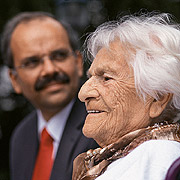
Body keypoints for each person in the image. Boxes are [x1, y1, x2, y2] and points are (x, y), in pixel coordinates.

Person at [72, 12, 180, 180]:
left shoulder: (158, 159)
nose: (83, 93)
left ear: (158, 99)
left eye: (106, 78)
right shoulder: (117, 160)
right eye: (90, 77)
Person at [1, 11, 98, 180]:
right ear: (14, 80)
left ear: (77, 63)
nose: (50, 69)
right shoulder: (21, 136)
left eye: (59, 55)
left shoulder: (101, 126)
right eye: (32, 62)